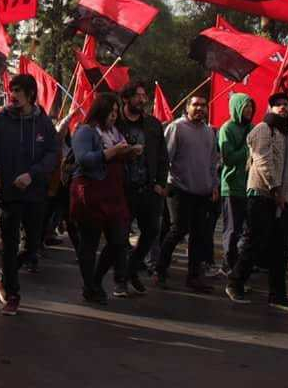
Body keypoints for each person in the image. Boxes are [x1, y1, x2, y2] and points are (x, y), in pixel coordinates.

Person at [0, 74, 58, 315]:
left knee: (32, 246)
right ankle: (12, 294)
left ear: (30, 94)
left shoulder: (43, 123)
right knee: (10, 244)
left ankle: (2, 277)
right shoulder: (0, 121)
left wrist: (32, 174)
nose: (12, 95)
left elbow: (53, 154)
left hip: (35, 193)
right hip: (8, 194)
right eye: (11, 90)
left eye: (17, 91)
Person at [225, 92, 288, 311]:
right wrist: (275, 189)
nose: (283, 107)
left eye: (286, 104)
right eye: (277, 104)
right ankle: (235, 282)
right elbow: (263, 160)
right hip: (263, 195)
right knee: (255, 241)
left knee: (281, 248)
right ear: (270, 108)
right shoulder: (264, 129)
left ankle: (277, 295)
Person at [70, 93, 139, 304]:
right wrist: (112, 152)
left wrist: (129, 152)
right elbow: (84, 159)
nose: (114, 116)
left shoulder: (115, 133)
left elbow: (118, 155)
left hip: (114, 192)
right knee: (89, 243)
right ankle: (90, 286)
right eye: (111, 112)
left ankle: (96, 280)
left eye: (117, 112)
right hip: (91, 191)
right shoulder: (86, 131)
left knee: (119, 240)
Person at [155, 94, 218, 293]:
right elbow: (165, 158)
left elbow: (212, 162)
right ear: (187, 107)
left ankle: (193, 277)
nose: (200, 108)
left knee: (199, 235)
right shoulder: (177, 127)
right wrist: (162, 183)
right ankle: (160, 270)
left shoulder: (209, 132)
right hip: (179, 189)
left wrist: (214, 185)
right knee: (178, 230)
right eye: (195, 105)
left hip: (202, 191)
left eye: (203, 105)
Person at [117, 82, 169, 294]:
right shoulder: (116, 122)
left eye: (143, 96)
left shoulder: (153, 124)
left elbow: (163, 157)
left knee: (151, 231)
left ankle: (131, 269)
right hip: (122, 189)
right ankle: (120, 279)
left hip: (148, 189)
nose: (142, 99)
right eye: (137, 95)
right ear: (126, 98)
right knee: (120, 236)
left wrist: (160, 183)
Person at [217, 93, 254, 275]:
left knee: (248, 230)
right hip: (232, 187)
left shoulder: (253, 128)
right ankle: (228, 264)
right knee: (232, 230)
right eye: (245, 106)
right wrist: (248, 150)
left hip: (250, 187)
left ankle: (241, 264)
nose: (249, 110)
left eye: (251, 106)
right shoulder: (227, 128)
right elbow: (228, 157)